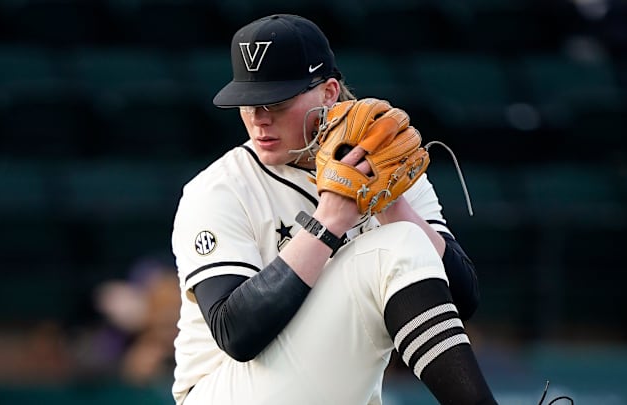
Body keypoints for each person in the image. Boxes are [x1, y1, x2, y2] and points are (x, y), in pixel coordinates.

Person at [170, 14, 496, 405]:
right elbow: (235, 335)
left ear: (328, 93)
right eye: (247, 103)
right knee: (395, 247)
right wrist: (330, 220)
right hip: (225, 390)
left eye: (276, 101)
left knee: (404, 238)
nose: (258, 119)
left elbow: (462, 300)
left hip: (333, 390)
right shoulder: (219, 188)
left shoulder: (388, 164)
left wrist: (392, 205)